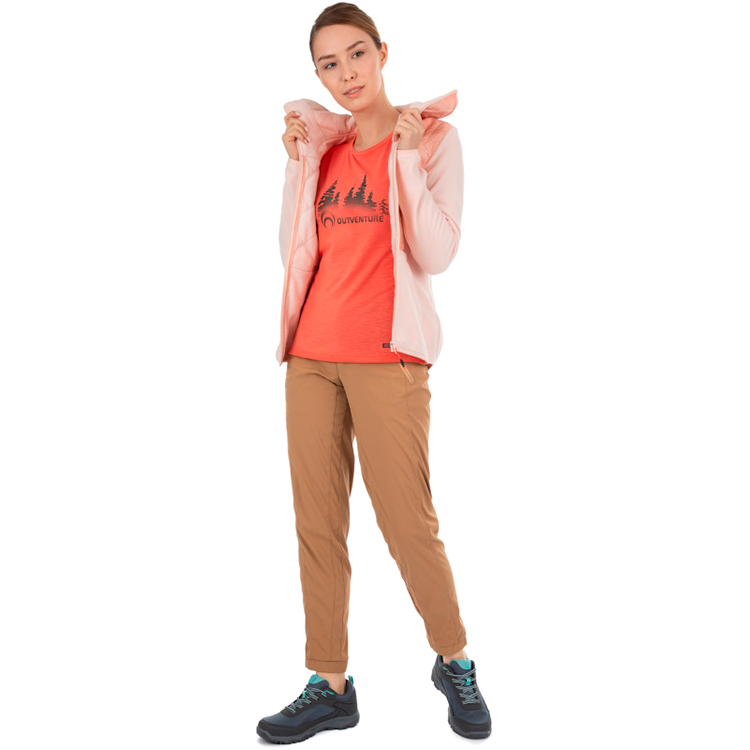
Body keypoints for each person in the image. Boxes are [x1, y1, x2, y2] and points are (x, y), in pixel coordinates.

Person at [256, 3, 491, 743]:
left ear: (383, 53)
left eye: (357, 54)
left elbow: (437, 252)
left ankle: (455, 659)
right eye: (329, 64)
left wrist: (407, 162)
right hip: (311, 357)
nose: (346, 74)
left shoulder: (434, 140)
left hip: (389, 358)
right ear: (318, 75)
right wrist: (296, 165)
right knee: (318, 524)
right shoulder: (321, 151)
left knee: (408, 523)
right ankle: (329, 685)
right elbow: (293, 252)